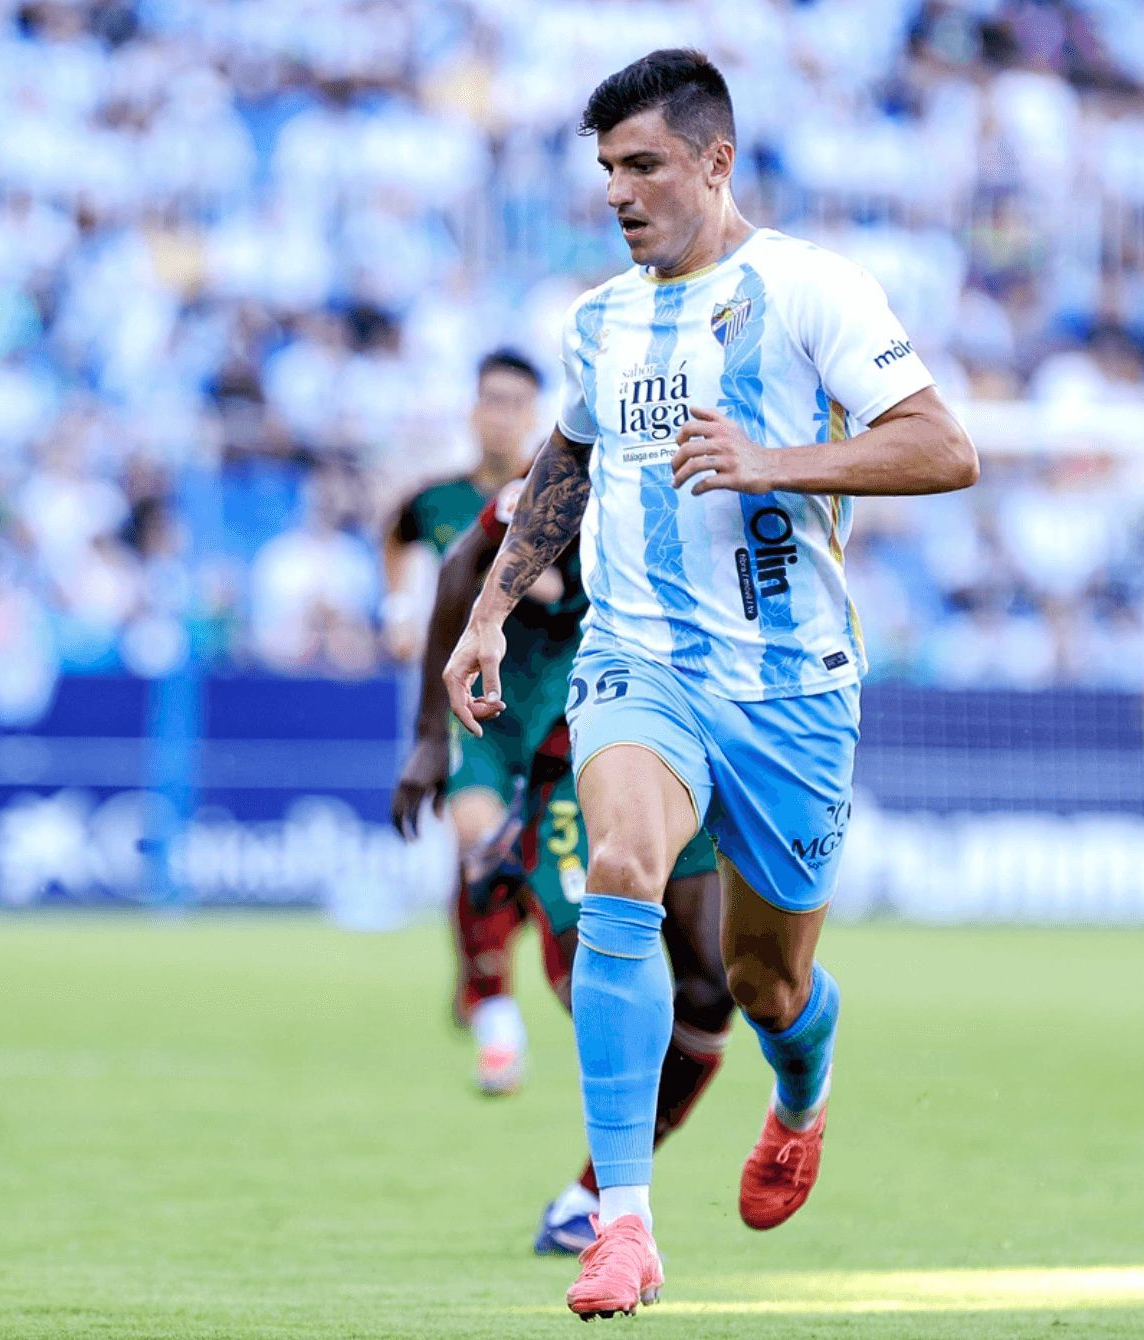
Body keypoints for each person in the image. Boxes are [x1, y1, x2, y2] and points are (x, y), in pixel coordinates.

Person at [440, 49, 979, 1319]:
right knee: (620, 866)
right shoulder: (601, 320)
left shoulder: (809, 289)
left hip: (792, 686)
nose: (620, 193)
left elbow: (944, 446)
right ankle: (621, 1224)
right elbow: (567, 461)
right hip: (639, 662)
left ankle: (801, 1084)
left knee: (764, 982)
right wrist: (490, 609)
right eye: (607, 170)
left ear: (715, 160)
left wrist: (772, 459)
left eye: (644, 166)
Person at [394, 478, 733, 1257]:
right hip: (572, 762)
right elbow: (454, 572)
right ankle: (492, 991)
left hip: (685, 747)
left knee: (713, 988)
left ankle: (586, 1196)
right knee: (607, 996)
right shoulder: (568, 483)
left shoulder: (712, 467)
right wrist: (427, 734)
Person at [383, 351, 552, 1094]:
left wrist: (514, 580)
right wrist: (398, 607)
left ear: (536, 411)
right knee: (479, 843)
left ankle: (486, 972)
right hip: (475, 711)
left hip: (555, 704)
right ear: (473, 408)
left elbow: (561, 584)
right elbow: (397, 534)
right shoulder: (439, 500)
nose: (501, 414)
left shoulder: (558, 493)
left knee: (545, 863)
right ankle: (497, 1019)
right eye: (491, 399)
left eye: (516, 401)